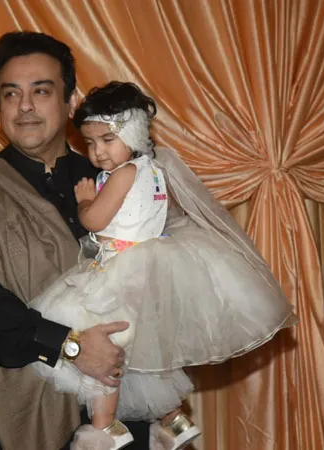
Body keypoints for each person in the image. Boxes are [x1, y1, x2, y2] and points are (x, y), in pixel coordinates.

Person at [30, 81, 299, 450]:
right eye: (90, 143)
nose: (97, 152)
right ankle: (174, 421)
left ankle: (104, 429)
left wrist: (84, 201)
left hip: (123, 271)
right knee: (150, 354)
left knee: (106, 347)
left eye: (107, 140)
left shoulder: (123, 174)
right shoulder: (154, 170)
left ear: (132, 134)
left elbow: (94, 221)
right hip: (148, 273)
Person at [0, 32, 151, 450]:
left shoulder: (117, 181)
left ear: (70, 102)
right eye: (11, 93)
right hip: (10, 411)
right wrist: (70, 346)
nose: (25, 106)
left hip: (121, 401)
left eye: (41, 91)